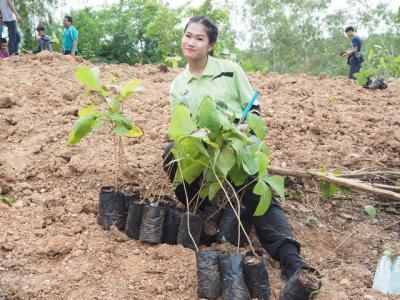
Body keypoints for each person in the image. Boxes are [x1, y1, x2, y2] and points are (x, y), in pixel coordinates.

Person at [163, 16, 316, 283]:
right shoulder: (179, 84)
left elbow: (254, 110)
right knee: (171, 155)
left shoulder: (230, 70)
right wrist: (196, 137)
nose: (191, 42)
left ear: (210, 45)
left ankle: (290, 257)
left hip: (237, 146)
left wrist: (243, 128)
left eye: (199, 38)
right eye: (188, 35)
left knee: (258, 191)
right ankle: (203, 213)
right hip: (204, 149)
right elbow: (181, 123)